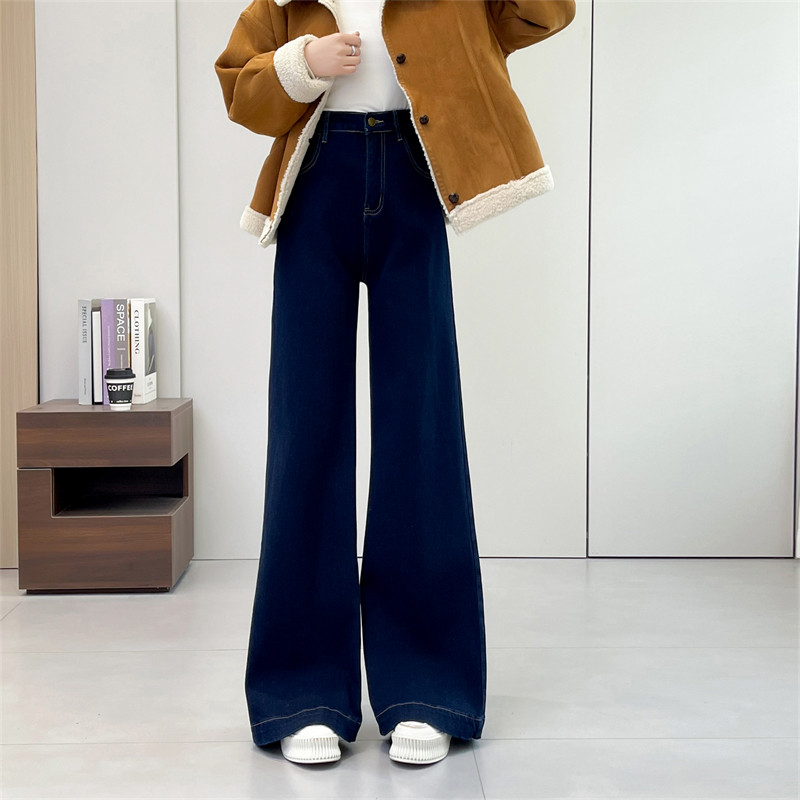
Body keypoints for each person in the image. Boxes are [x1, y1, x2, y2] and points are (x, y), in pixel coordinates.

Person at [214, 0, 576, 766]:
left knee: (422, 432)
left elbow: (542, 15)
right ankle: (302, 692)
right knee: (306, 433)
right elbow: (241, 88)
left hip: (414, 175)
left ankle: (428, 687)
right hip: (314, 184)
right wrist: (303, 66)